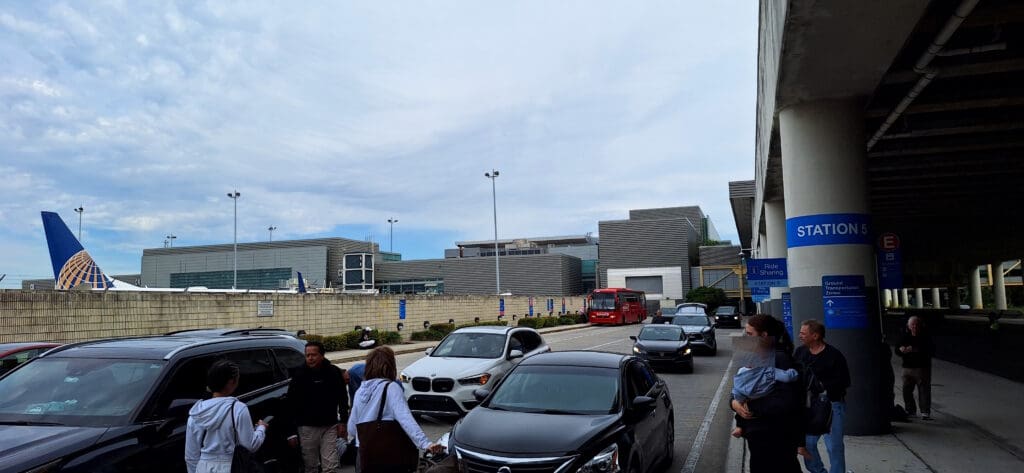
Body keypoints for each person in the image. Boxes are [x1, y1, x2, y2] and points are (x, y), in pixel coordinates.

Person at [730, 314, 807, 473]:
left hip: (776, 434)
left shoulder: (779, 358)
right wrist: (734, 403)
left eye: (750, 334)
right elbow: (744, 386)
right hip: (761, 433)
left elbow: (787, 401)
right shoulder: (761, 356)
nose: (746, 338)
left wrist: (748, 405)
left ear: (764, 335)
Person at [347, 346, 444, 473]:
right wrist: (425, 443)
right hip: (386, 452)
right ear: (390, 365)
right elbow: (405, 418)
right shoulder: (391, 387)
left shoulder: (361, 390)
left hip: (363, 453)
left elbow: (352, 428)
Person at [185, 360, 267, 473]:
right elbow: (250, 444)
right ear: (231, 382)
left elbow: (191, 455)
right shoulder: (238, 408)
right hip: (231, 466)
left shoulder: (197, 412)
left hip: (203, 467)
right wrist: (261, 428)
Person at [795, 319, 852, 473]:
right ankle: (818, 471)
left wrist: (822, 385)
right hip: (810, 407)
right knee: (807, 444)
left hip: (832, 405)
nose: (800, 335)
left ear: (815, 336)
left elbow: (845, 381)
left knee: (834, 446)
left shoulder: (834, 355)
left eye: (803, 333)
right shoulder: (800, 353)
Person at [287, 341, 350, 473]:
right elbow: (291, 404)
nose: (310, 358)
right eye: (307, 355)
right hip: (307, 428)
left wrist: (343, 421)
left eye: (313, 355)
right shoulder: (299, 375)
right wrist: (291, 432)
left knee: (330, 465)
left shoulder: (333, 372)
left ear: (322, 355)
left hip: (329, 426)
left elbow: (343, 398)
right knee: (311, 466)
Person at [730, 335, 800, 438]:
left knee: (742, 411)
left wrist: (737, 401)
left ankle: (739, 427)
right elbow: (787, 377)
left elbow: (736, 388)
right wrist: (794, 372)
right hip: (763, 395)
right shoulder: (769, 370)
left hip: (747, 397)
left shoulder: (742, 371)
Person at [897, 316, 934, 420]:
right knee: (906, 390)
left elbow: (929, 349)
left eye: (916, 325)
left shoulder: (925, 337)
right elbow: (897, 348)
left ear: (920, 325)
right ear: (908, 326)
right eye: (912, 325)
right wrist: (901, 349)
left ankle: (925, 412)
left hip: (922, 367)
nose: (914, 327)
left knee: (923, 390)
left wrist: (912, 349)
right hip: (907, 368)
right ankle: (910, 410)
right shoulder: (905, 336)